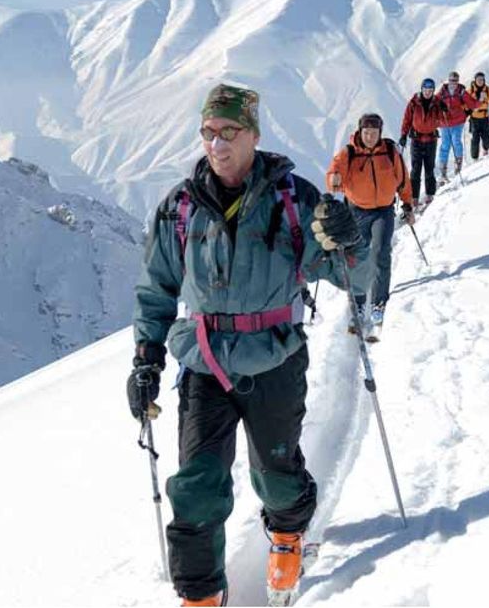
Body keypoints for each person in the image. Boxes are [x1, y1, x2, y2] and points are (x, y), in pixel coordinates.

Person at [127, 83, 366, 607]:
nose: (217, 144)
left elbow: (346, 268)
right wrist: (146, 358)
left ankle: (287, 535)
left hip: (275, 356)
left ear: (254, 135)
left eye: (229, 132)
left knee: (277, 475)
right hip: (204, 361)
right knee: (195, 485)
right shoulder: (178, 209)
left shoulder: (295, 200)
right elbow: (158, 289)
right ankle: (200, 596)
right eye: (209, 133)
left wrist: (348, 238)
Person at [326, 112, 414, 329]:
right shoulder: (349, 153)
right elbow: (334, 173)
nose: (370, 137)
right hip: (356, 212)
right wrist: (334, 180)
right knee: (359, 258)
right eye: (366, 133)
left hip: (383, 212)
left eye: (374, 133)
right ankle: (359, 302)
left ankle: (379, 302)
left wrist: (408, 205)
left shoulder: (390, 152)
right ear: (360, 132)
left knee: (381, 253)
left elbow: (403, 180)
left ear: (380, 133)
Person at [399, 77, 444, 208]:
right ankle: (414, 198)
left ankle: (430, 194)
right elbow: (407, 119)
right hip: (416, 140)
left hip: (431, 140)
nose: (428, 92)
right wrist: (403, 134)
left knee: (429, 168)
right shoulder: (414, 103)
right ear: (422, 89)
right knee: (415, 170)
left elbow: (442, 120)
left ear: (433, 91)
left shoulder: (437, 103)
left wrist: (443, 109)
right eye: (426, 89)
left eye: (430, 90)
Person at [435, 70, 480, 183]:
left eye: (455, 81)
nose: (453, 83)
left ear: (458, 81)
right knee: (445, 145)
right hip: (444, 122)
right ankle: (443, 171)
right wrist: (439, 106)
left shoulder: (461, 91)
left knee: (456, 142)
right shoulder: (442, 91)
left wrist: (480, 102)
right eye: (451, 80)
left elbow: (472, 103)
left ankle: (458, 166)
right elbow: (434, 103)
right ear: (448, 80)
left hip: (458, 121)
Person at [467, 71, 489, 160]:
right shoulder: (470, 90)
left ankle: (486, 149)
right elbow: (465, 102)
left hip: (485, 117)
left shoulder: (487, 89)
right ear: (475, 80)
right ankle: (475, 157)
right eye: (478, 79)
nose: (480, 81)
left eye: (482, 79)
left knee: (486, 138)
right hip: (474, 118)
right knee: (475, 139)